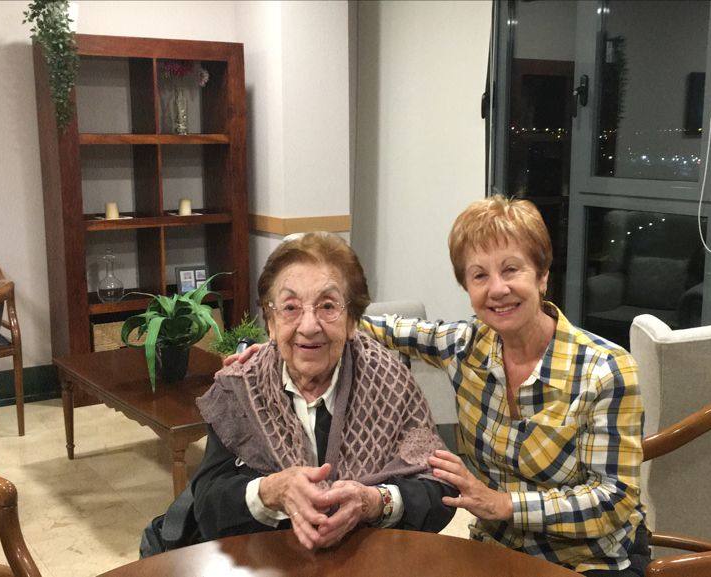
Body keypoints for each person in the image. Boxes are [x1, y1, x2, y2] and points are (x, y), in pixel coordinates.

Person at [229, 197, 649, 575]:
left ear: (541, 276)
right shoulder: (465, 347)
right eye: (479, 275)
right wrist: (277, 342)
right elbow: (356, 321)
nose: (497, 289)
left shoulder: (605, 369)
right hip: (494, 554)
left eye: (511, 269)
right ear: (467, 288)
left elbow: (614, 501)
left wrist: (504, 504)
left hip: (588, 561)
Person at [144, 232, 456, 556]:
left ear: (352, 321)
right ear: (270, 322)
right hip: (267, 563)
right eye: (290, 307)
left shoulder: (390, 383)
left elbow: (439, 491)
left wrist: (375, 502)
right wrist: (270, 491)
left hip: (367, 561)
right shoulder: (240, 390)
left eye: (328, 306)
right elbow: (208, 506)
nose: (309, 326)